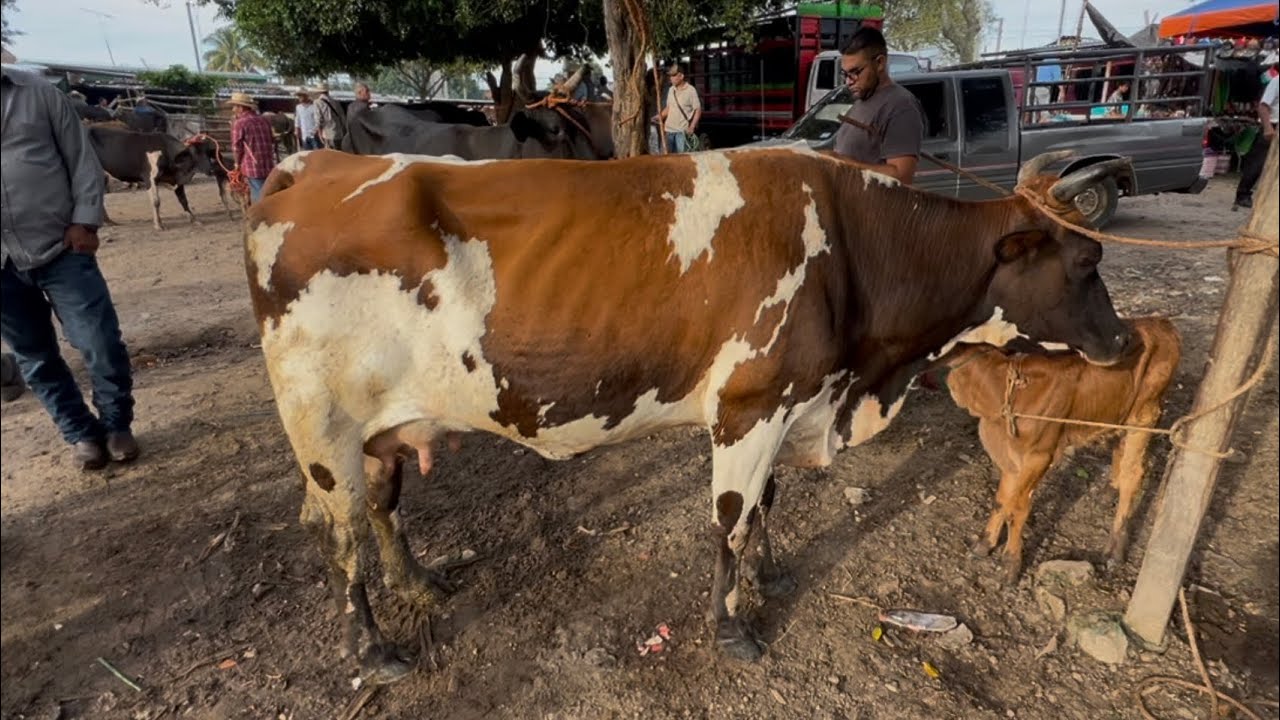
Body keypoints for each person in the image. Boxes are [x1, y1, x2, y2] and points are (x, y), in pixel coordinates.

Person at [1, 64, 139, 470]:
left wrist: (85, 221)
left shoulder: (38, 92)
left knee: (100, 341)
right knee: (35, 356)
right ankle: (80, 433)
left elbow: (81, 159)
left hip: (62, 244)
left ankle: (116, 425)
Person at [832, 27, 925, 184]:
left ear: (880, 63)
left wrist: (840, 165)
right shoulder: (862, 101)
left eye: (855, 72)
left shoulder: (901, 106)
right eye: (845, 74)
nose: (848, 81)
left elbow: (901, 177)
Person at [1234, 67, 1277, 210]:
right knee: (1257, 163)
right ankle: (1243, 194)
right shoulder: (1276, 81)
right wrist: (1268, 128)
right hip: (1273, 125)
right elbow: (1263, 106)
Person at [226, 92, 277, 204]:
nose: (233, 109)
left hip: (252, 165)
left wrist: (237, 164)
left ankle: (264, 212)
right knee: (268, 190)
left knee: (258, 193)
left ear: (241, 107)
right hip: (268, 163)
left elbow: (236, 147)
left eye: (234, 106)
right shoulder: (264, 120)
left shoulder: (240, 123)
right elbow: (272, 139)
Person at [656, 64, 701, 153]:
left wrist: (692, 126)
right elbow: (669, 108)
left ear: (681, 76)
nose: (671, 78)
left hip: (682, 132)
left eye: (674, 76)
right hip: (668, 131)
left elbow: (698, 110)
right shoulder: (671, 90)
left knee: (681, 158)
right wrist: (659, 116)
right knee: (665, 158)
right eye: (670, 76)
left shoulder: (690, 90)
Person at [311, 82, 344, 149]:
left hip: (327, 134)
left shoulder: (317, 102)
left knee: (329, 153)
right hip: (339, 133)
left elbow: (318, 119)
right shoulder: (335, 101)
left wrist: (319, 133)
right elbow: (342, 116)